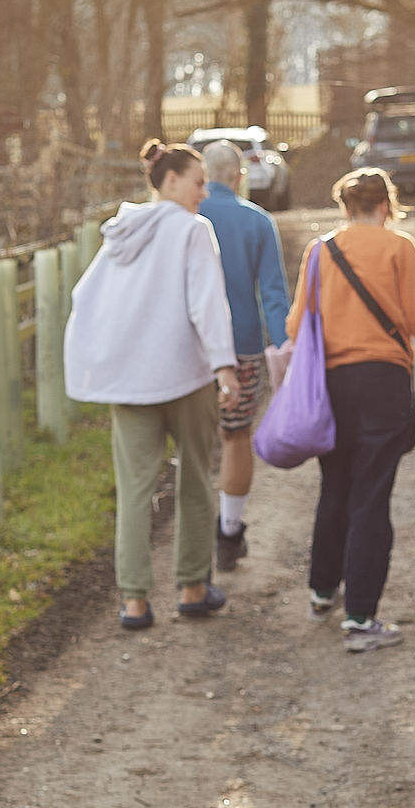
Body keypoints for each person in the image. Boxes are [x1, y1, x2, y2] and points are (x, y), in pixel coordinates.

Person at [65, 140, 241, 630]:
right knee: (194, 482)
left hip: (130, 381)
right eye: (198, 182)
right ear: (171, 181)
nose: (205, 193)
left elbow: (87, 296)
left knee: (134, 490)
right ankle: (191, 587)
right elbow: (207, 303)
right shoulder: (193, 230)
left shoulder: (122, 234)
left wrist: (101, 361)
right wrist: (224, 366)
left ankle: (135, 601)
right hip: (185, 377)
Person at [288, 168, 415, 653]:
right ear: (386, 206)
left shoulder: (319, 251)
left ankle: (321, 592)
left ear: (345, 208)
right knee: (371, 498)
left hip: (330, 386)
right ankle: (360, 618)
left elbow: (297, 327)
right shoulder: (399, 247)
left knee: (334, 486)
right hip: (383, 383)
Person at [197, 139, 293, 571]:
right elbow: (272, 294)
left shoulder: (187, 217)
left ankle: (193, 540)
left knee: (196, 442)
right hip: (243, 348)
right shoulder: (258, 221)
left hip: (192, 348)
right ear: (239, 176)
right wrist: (283, 350)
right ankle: (228, 534)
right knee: (236, 437)